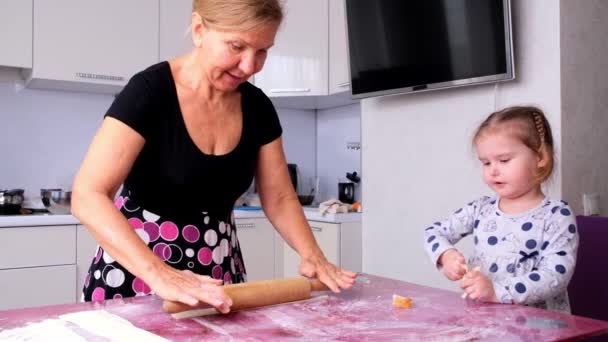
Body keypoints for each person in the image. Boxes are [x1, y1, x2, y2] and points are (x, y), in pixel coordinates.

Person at [72, 0, 356, 313]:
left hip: (220, 270)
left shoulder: (257, 107)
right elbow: (88, 195)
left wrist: (313, 254)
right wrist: (160, 273)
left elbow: (279, 197)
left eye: (263, 50)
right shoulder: (150, 91)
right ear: (199, 30)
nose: (250, 66)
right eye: (237, 46)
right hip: (138, 271)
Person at [423, 106, 578, 313]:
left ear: (539, 157)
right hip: (484, 323)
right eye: (486, 163)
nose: (493, 170)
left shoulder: (557, 216)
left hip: (539, 329)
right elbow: (433, 232)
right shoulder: (480, 209)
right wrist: (445, 254)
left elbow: (555, 275)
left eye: (504, 160)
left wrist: (497, 292)